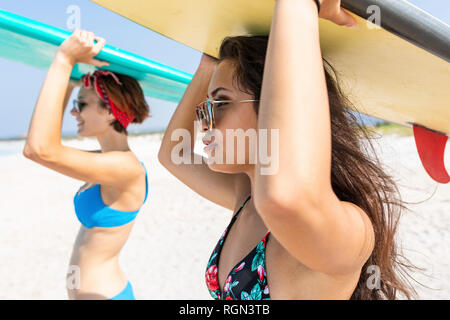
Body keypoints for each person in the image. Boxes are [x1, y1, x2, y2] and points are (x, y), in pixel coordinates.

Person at [158, 0, 418, 300]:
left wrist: (301, 4)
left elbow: (285, 197)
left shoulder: (351, 230)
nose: (204, 124)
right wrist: (209, 64)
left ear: (273, 108)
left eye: (220, 103)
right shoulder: (248, 196)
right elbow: (174, 154)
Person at [23, 29, 150, 300]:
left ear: (109, 109)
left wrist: (64, 60)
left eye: (80, 104)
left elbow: (38, 149)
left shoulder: (125, 169)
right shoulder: (106, 161)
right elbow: (47, 143)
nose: (73, 112)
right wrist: (69, 83)